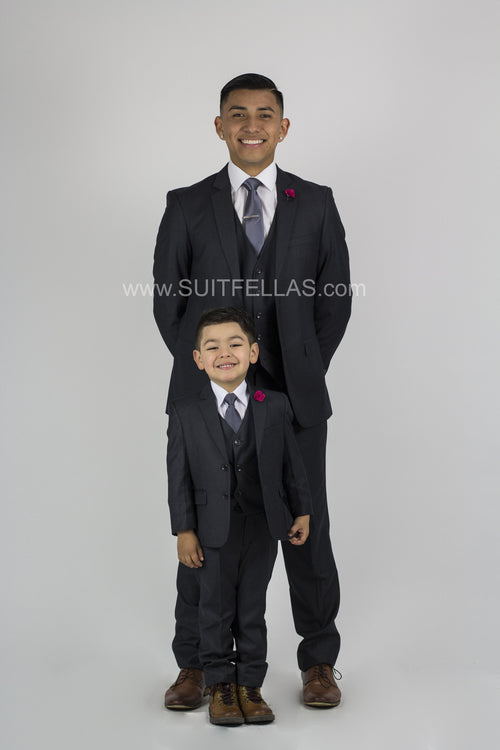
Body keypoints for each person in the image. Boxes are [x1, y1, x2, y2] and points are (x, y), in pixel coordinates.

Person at [154, 73, 351, 710]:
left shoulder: (315, 203)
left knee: (306, 527)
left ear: (283, 127)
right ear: (219, 127)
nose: (251, 125)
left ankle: (318, 661)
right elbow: (168, 303)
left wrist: (299, 371)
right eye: (237, 114)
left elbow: (334, 301)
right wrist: (217, 373)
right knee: (208, 530)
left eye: (265, 114)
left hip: (295, 402)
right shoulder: (187, 204)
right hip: (208, 400)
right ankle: (194, 664)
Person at [167, 307, 312, 726]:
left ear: (253, 352)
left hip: (263, 525)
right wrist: (184, 530)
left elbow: (292, 466)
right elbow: (177, 475)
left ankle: (250, 685)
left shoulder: (274, 405)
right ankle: (220, 687)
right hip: (210, 532)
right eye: (212, 347)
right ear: (198, 359)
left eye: (235, 344)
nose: (224, 353)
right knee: (213, 609)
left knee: (252, 608)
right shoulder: (185, 411)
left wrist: (302, 510)